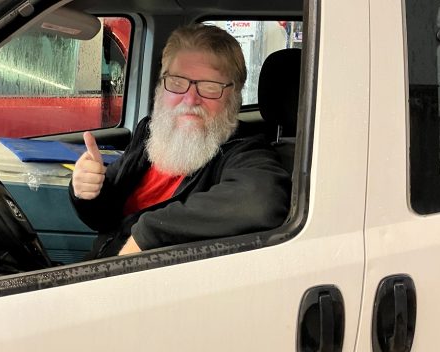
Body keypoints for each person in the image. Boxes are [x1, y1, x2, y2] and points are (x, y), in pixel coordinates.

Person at [70, 24, 291, 259]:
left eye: (210, 86)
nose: (190, 98)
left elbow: (260, 203)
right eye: (177, 82)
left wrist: (149, 232)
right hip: (98, 267)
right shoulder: (151, 131)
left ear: (234, 96)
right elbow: (102, 218)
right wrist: (86, 188)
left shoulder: (243, 149)